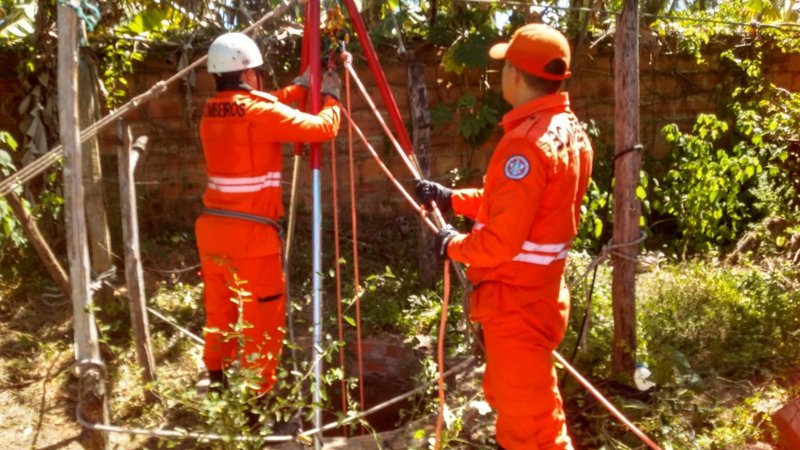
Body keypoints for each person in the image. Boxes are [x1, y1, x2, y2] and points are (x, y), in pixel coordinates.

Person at [416, 23, 594, 450]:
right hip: (540, 296)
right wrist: (452, 198)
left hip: (515, 305)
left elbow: (499, 242)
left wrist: (451, 243)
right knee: (513, 401)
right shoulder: (569, 131)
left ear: (515, 74)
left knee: (534, 431)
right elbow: (518, 207)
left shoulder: (526, 146)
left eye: (504, 66)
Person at [196, 32, 341, 395]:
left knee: (221, 308)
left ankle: (216, 378)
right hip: (252, 238)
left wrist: (299, 86)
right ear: (248, 75)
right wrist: (332, 97)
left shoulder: (212, 110)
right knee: (263, 315)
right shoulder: (259, 113)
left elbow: (265, 105)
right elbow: (323, 128)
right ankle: (258, 399)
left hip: (213, 233)